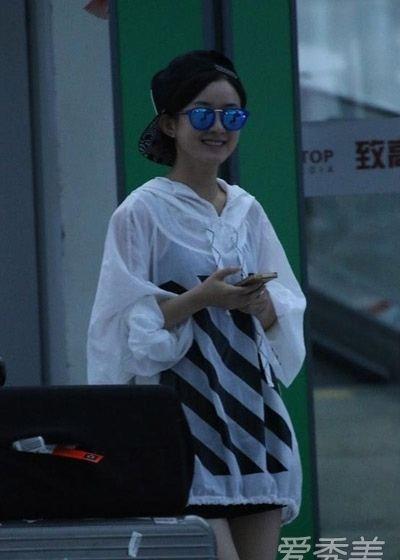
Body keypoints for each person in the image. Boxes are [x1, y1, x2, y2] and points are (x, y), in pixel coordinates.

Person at [87, 50, 306, 560]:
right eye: (203, 114)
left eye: (233, 115)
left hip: (253, 412)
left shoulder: (247, 210)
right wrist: (201, 298)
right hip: (184, 416)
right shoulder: (141, 212)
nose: (219, 128)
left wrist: (259, 304)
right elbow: (122, 327)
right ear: (170, 124)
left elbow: (285, 308)